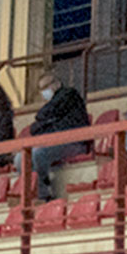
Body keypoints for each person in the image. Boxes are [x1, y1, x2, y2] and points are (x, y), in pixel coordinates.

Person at [26, 72, 91, 202]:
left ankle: (44, 194)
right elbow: (34, 128)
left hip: (75, 144)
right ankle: (30, 192)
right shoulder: (52, 108)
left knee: (39, 153)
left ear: (57, 83)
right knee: (20, 158)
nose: (44, 91)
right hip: (56, 144)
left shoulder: (69, 95)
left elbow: (44, 115)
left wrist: (46, 122)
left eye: (46, 86)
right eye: (41, 88)